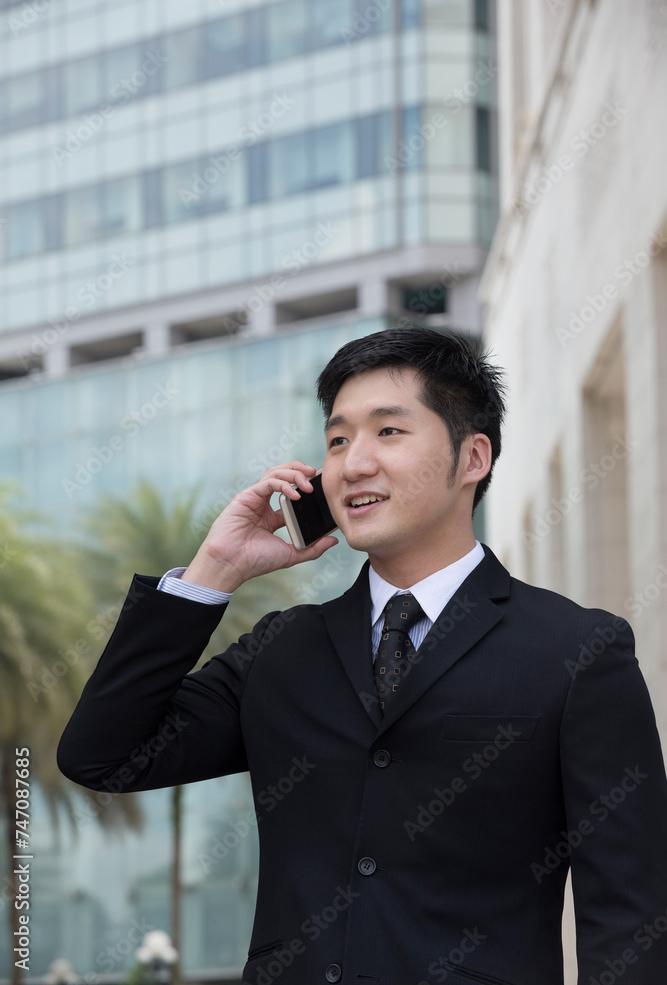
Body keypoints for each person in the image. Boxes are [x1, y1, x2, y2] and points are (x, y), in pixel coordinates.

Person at [58, 327, 667, 985]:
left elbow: (629, 913)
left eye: (388, 432)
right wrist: (214, 570)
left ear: (472, 458)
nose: (353, 464)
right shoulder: (280, 651)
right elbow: (105, 756)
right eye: (337, 439)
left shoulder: (575, 652)